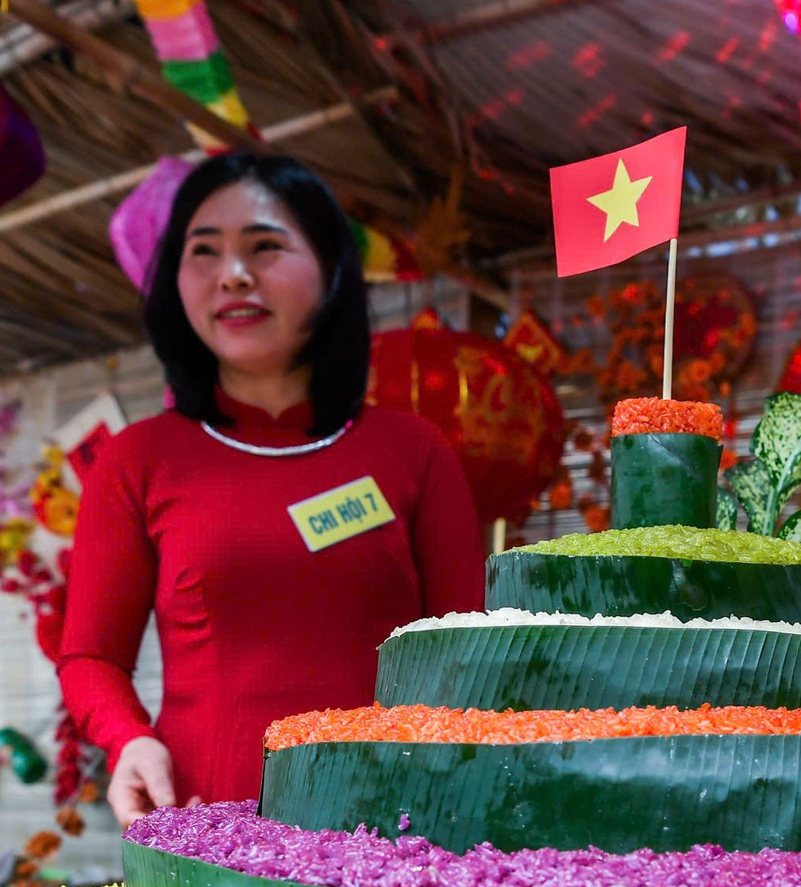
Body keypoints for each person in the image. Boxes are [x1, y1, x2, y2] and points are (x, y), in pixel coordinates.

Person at [60, 152, 485, 828]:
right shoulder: (137, 460)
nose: (233, 273)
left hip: (394, 832)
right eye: (204, 251)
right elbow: (91, 657)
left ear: (331, 269)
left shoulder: (414, 451)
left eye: (264, 246)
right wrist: (127, 740)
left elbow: (465, 655)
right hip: (204, 834)